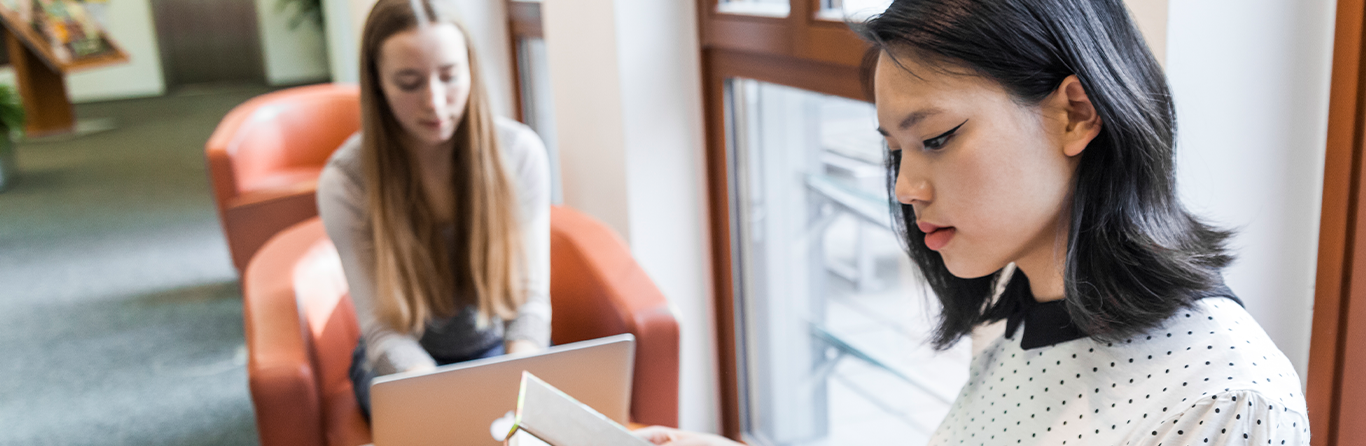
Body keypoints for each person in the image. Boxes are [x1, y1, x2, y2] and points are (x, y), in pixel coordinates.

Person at [638, 0, 1308, 444]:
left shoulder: (1229, 398)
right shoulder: (1028, 315)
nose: (904, 187)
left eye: (936, 138)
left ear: (1076, 113)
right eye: (895, 150)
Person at [316, 0, 550, 419]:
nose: (436, 103)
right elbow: (384, 334)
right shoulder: (346, 182)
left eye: (449, 76)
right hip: (398, 365)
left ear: (471, 70)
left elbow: (530, 304)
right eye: (409, 82)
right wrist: (447, 403)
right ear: (377, 84)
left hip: (496, 352)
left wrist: (518, 376)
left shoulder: (520, 153)